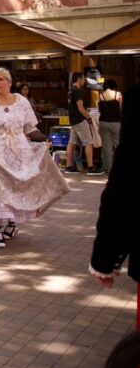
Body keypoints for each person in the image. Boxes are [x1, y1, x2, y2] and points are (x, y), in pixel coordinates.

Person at [0, 67, 70, 248]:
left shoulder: (22, 101)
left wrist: (45, 139)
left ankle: (12, 223)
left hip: (19, 149)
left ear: (9, 82)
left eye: (1, 79)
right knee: (0, 189)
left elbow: (29, 128)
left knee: (17, 186)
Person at [89, 81, 138, 289]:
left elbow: (124, 186)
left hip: (104, 123)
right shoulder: (121, 95)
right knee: (116, 146)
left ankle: (106, 166)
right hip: (116, 122)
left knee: (110, 149)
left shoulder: (133, 96)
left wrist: (105, 259)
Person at [63, 72, 104, 175]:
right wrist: (88, 117)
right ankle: (91, 168)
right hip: (80, 120)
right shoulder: (77, 91)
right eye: (83, 79)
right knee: (88, 142)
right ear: (79, 79)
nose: (84, 81)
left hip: (73, 120)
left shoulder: (70, 90)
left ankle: (68, 167)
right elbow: (80, 107)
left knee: (71, 143)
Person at [98, 79, 122, 174]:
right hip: (115, 122)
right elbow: (120, 109)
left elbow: (100, 110)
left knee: (106, 146)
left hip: (103, 122)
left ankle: (108, 168)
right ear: (114, 86)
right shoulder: (118, 94)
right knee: (118, 145)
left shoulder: (101, 95)